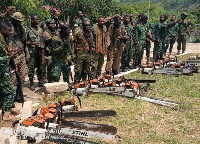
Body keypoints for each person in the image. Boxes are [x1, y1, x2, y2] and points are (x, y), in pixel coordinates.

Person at [0, 21, 18, 120]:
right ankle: (7, 113)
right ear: (2, 29)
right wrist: (9, 57)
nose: (10, 32)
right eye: (9, 30)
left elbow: (3, 52)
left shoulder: (2, 39)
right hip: (2, 72)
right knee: (10, 91)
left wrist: (10, 51)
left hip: (3, 70)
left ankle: (2, 110)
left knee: (2, 92)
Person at [7, 12, 28, 84]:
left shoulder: (22, 28)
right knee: (12, 75)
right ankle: (12, 92)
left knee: (22, 74)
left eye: (20, 21)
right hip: (14, 55)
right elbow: (9, 42)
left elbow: (24, 42)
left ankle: (19, 92)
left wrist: (27, 54)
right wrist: (10, 54)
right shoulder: (9, 28)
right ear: (13, 19)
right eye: (17, 21)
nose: (19, 22)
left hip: (22, 54)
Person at [26, 15, 44, 90]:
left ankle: (40, 81)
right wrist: (32, 43)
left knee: (40, 67)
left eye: (38, 19)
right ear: (32, 20)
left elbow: (42, 42)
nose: (38, 20)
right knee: (31, 68)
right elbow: (25, 42)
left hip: (40, 51)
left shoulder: (40, 29)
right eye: (36, 19)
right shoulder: (27, 29)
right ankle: (31, 82)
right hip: (32, 52)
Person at [73, 19, 94, 84]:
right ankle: (76, 82)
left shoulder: (90, 34)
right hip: (79, 53)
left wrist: (90, 55)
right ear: (83, 26)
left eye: (89, 25)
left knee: (86, 69)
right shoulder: (78, 33)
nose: (87, 27)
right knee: (78, 70)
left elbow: (91, 45)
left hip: (87, 53)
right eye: (86, 25)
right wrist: (74, 54)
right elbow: (74, 43)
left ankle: (84, 81)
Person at [42, 18, 59, 83]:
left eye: (54, 24)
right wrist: (43, 58)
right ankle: (49, 82)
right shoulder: (45, 33)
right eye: (51, 24)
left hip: (56, 53)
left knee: (56, 69)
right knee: (50, 69)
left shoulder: (56, 32)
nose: (53, 25)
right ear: (47, 25)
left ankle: (54, 81)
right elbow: (43, 46)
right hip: (48, 54)